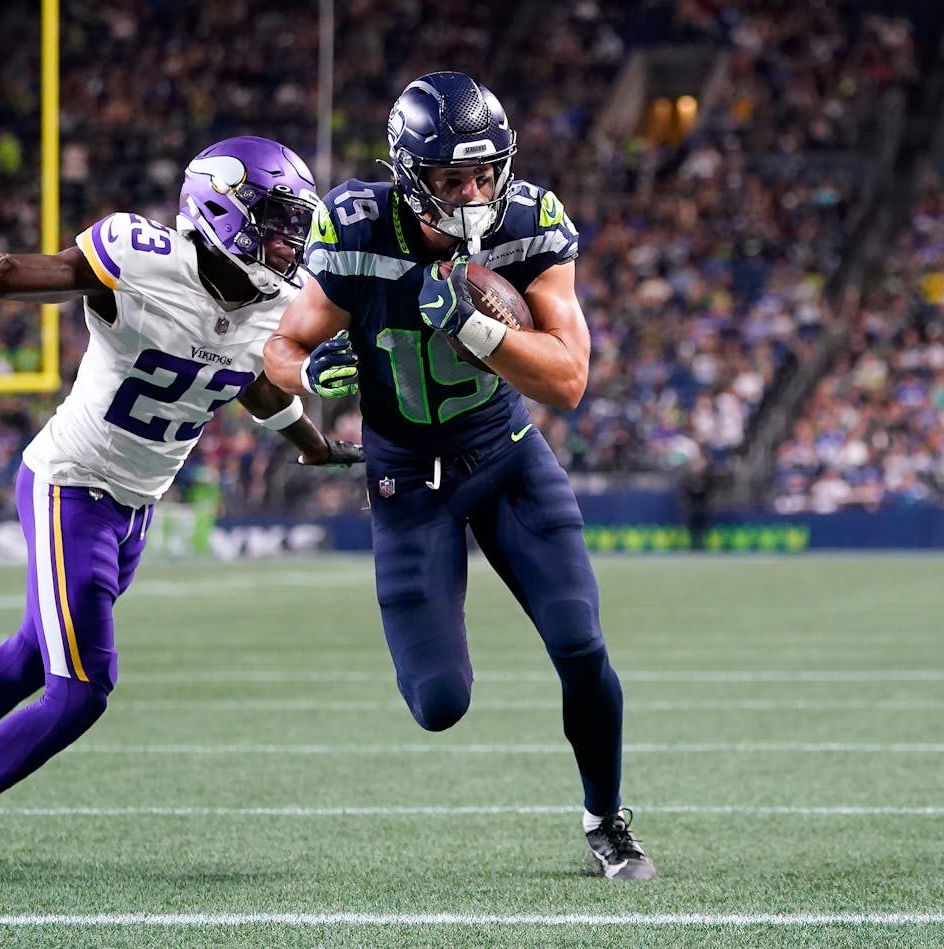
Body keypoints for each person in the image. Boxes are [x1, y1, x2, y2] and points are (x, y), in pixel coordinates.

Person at [0, 136, 364, 882]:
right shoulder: (139, 259)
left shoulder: (275, 301)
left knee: (29, 656)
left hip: (133, 509)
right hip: (71, 485)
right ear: (217, 207)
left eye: (294, 222)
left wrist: (312, 444)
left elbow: (257, 384)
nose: (288, 238)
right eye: (273, 218)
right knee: (80, 689)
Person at [265, 73, 656, 880]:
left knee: (581, 641)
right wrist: (310, 374)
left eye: (484, 173)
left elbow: (570, 380)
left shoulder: (532, 221)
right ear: (411, 176)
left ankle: (606, 820)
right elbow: (281, 346)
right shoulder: (357, 222)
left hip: (506, 457)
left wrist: (476, 328)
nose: (474, 192)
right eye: (452, 179)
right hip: (407, 484)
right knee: (438, 701)